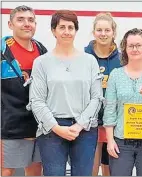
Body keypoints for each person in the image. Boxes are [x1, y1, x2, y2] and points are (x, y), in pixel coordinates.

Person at [29, 10, 102, 176]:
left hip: (85, 129)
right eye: (62, 27)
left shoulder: (89, 61)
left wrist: (79, 125)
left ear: (76, 31)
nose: (67, 31)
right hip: (51, 130)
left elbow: (97, 98)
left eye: (71, 27)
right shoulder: (41, 63)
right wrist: (56, 128)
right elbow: (36, 100)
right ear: (54, 30)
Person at [103, 28, 142, 176]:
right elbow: (110, 110)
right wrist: (110, 140)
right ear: (124, 48)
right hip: (121, 141)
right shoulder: (116, 75)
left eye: (139, 45)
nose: (135, 49)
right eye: (130, 46)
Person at [1, 5, 47, 176]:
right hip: (9, 125)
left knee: (35, 170)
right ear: (10, 24)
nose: (26, 24)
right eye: (20, 20)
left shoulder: (42, 51)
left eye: (30, 20)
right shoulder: (2, 52)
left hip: (39, 124)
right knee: (6, 171)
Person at [84, 12, 121, 176]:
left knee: (110, 167)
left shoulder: (122, 59)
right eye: (99, 30)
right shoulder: (83, 57)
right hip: (89, 121)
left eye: (107, 30)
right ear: (94, 32)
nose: (103, 34)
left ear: (114, 32)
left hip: (114, 121)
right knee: (91, 167)